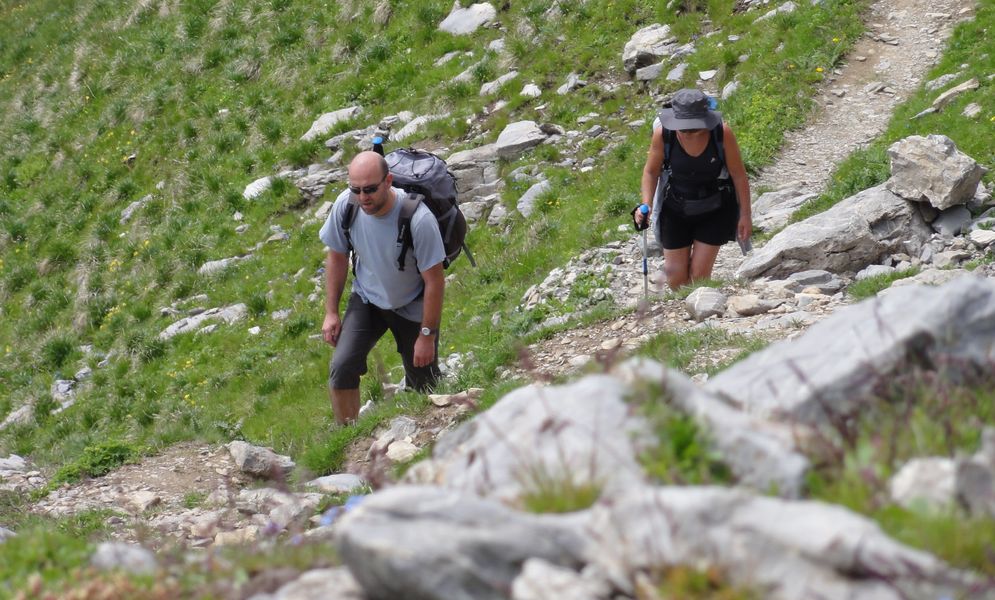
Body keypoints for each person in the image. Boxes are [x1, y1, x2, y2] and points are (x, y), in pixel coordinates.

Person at [319, 151, 446, 425]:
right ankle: (347, 438)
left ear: (388, 181)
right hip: (367, 300)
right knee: (342, 368)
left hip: (412, 305)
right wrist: (331, 312)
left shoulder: (419, 219)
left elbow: (434, 281)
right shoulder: (347, 206)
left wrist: (426, 335)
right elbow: (337, 256)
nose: (363, 197)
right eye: (356, 189)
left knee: (425, 386)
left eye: (370, 189)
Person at [636, 88, 752, 289]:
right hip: (675, 209)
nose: (689, 133)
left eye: (695, 128)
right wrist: (645, 204)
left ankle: (700, 316)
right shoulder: (663, 134)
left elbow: (739, 174)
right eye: (684, 128)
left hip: (714, 209)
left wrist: (745, 215)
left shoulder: (722, 133)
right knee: (676, 281)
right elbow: (651, 172)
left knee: (699, 278)